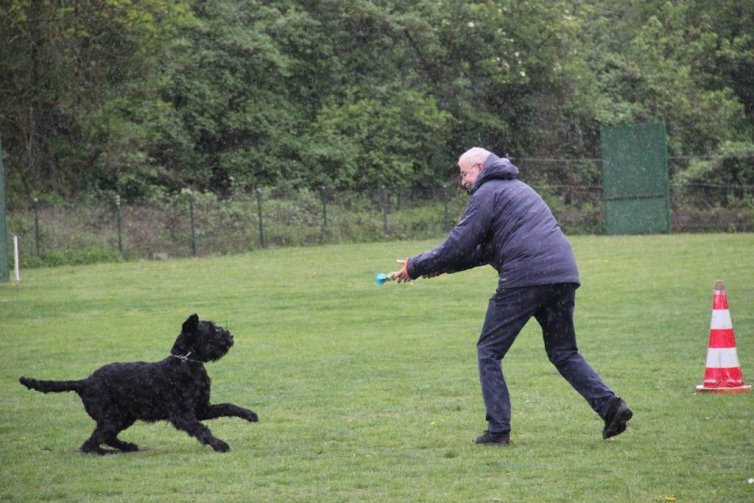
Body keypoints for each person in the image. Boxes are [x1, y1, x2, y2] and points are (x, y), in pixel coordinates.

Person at [391, 147, 632, 445]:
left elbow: (460, 242)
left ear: (479, 168)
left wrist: (415, 265)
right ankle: (611, 407)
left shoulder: (487, 193)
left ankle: (498, 431)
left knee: (489, 350)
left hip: (525, 277)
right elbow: (483, 250)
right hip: (562, 274)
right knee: (564, 352)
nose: (462, 182)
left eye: (464, 174)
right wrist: (440, 267)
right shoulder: (518, 190)